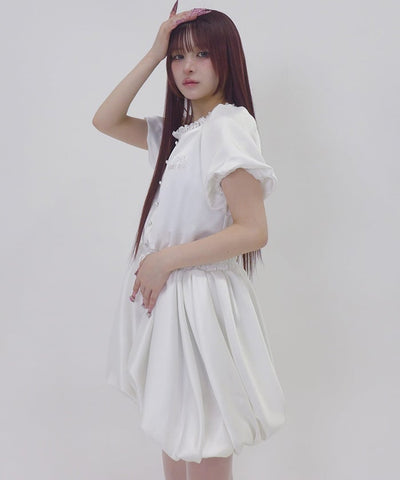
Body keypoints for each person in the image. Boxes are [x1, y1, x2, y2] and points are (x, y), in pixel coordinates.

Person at [92, 2, 286, 479]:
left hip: (201, 304)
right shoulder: (182, 134)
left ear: (227, 58)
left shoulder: (228, 128)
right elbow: (106, 120)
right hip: (173, 302)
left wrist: (166, 260)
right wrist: (153, 52)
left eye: (202, 54)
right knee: (177, 434)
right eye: (178, 57)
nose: (188, 67)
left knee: (204, 438)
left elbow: (253, 229)